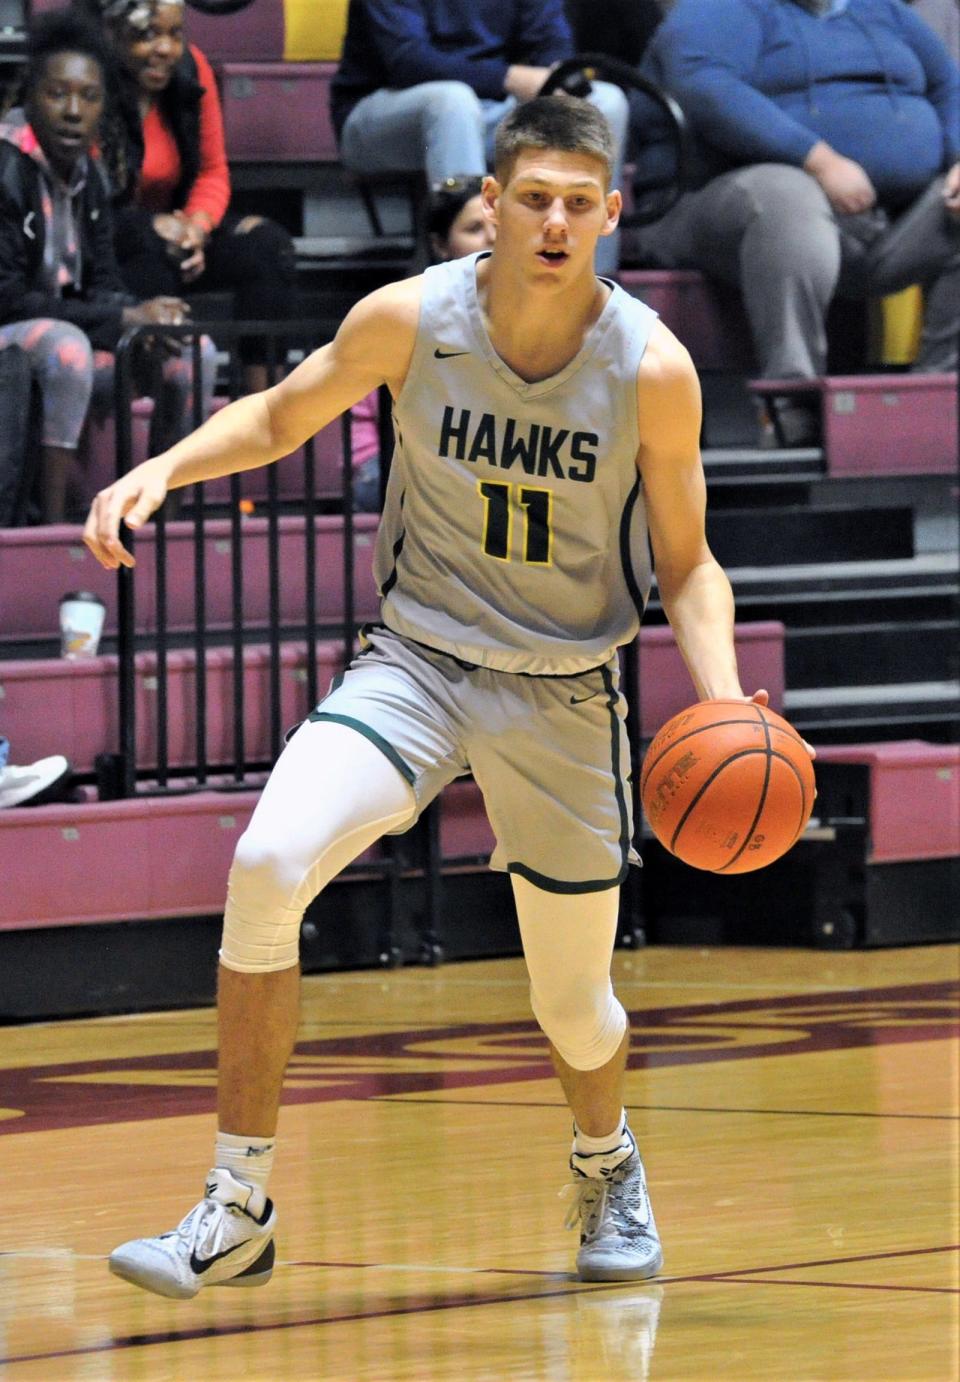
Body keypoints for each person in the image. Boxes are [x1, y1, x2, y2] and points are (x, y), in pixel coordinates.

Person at [84, 94, 771, 1297]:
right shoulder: (410, 318)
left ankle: (605, 1155)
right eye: (532, 200)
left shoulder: (652, 368)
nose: (554, 223)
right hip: (418, 661)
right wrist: (166, 464)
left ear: (610, 212)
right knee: (265, 862)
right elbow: (284, 412)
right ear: (489, 209)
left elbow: (688, 561)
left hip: (564, 693)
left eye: (578, 203)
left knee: (574, 1004)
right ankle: (235, 1202)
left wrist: (721, 701)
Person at [633, 0, 960, 443]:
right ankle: (791, 404)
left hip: (883, 220)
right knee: (788, 195)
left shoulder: (883, 12)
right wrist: (817, 159)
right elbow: (705, 85)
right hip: (713, 203)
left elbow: (948, 85)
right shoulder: (721, 10)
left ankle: (933, 398)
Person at [0, 9, 216, 524]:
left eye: (89, 97)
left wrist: (143, 312)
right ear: (29, 97)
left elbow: (101, 284)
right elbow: (6, 298)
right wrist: (121, 320)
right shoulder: (6, 168)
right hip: (14, 342)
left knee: (192, 348)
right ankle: (53, 533)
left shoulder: (90, 174)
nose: (74, 111)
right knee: (68, 349)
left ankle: (169, 523)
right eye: (57, 94)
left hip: (63, 331)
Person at [75, 0, 297, 394]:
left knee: (268, 247)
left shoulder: (191, 68)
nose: (165, 48)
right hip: (105, 240)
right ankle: (155, 410)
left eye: (174, 35)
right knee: (153, 257)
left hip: (177, 231)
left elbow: (213, 172)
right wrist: (154, 226)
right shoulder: (88, 79)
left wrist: (197, 226)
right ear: (112, 34)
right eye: (148, 35)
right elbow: (80, 201)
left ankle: (264, 414)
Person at [329, 0, 629, 277]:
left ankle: (590, 283)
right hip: (379, 113)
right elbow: (407, 61)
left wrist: (555, 77)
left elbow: (550, 39)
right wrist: (510, 78)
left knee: (605, 102)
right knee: (452, 101)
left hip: (490, 107)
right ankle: (474, 281)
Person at [350, 175, 495, 512]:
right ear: (440, 245)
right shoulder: (405, 312)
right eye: (474, 229)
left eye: (499, 226)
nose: (492, 238)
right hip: (386, 467)